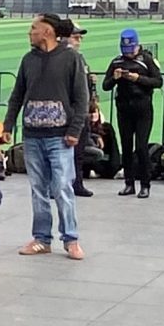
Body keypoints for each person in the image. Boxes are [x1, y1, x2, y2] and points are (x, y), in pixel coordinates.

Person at [4, 12, 90, 259]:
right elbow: (17, 95)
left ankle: (71, 238)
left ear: (47, 31)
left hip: (60, 137)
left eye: (34, 28)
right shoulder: (28, 60)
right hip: (32, 136)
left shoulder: (71, 58)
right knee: (38, 188)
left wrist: (74, 130)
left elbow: (81, 97)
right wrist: (8, 126)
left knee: (62, 187)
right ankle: (42, 238)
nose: (30, 32)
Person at [103, 27, 164, 196]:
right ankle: (129, 183)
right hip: (123, 108)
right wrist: (115, 78)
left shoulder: (147, 60)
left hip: (142, 107)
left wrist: (138, 79)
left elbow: (158, 81)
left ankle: (145, 184)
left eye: (131, 50)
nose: (129, 54)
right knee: (127, 145)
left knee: (142, 146)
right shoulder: (116, 62)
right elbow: (105, 86)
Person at [65, 23, 100, 197]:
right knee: (64, 154)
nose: (79, 41)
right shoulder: (64, 58)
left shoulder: (79, 58)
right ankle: (62, 185)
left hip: (82, 112)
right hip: (70, 112)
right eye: (75, 37)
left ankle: (77, 182)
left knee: (79, 153)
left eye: (79, 37)